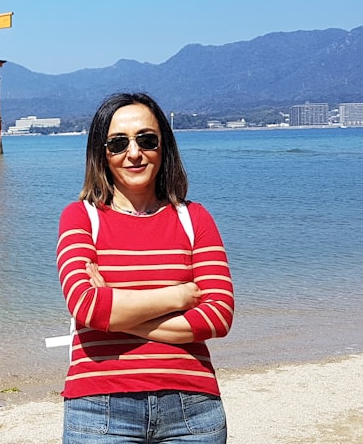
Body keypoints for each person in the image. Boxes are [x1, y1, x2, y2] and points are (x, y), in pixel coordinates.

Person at [56, 92, 234, 443]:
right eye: (118, 143)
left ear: (163, 146)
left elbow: (218, 317)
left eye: (147, 140)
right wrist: (179, 295)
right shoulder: (80, 217)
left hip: (192, 408)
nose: (134, 153)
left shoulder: (193, 218)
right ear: (101, 153)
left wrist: (116, 313)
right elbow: (86, 306)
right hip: (99, 408)